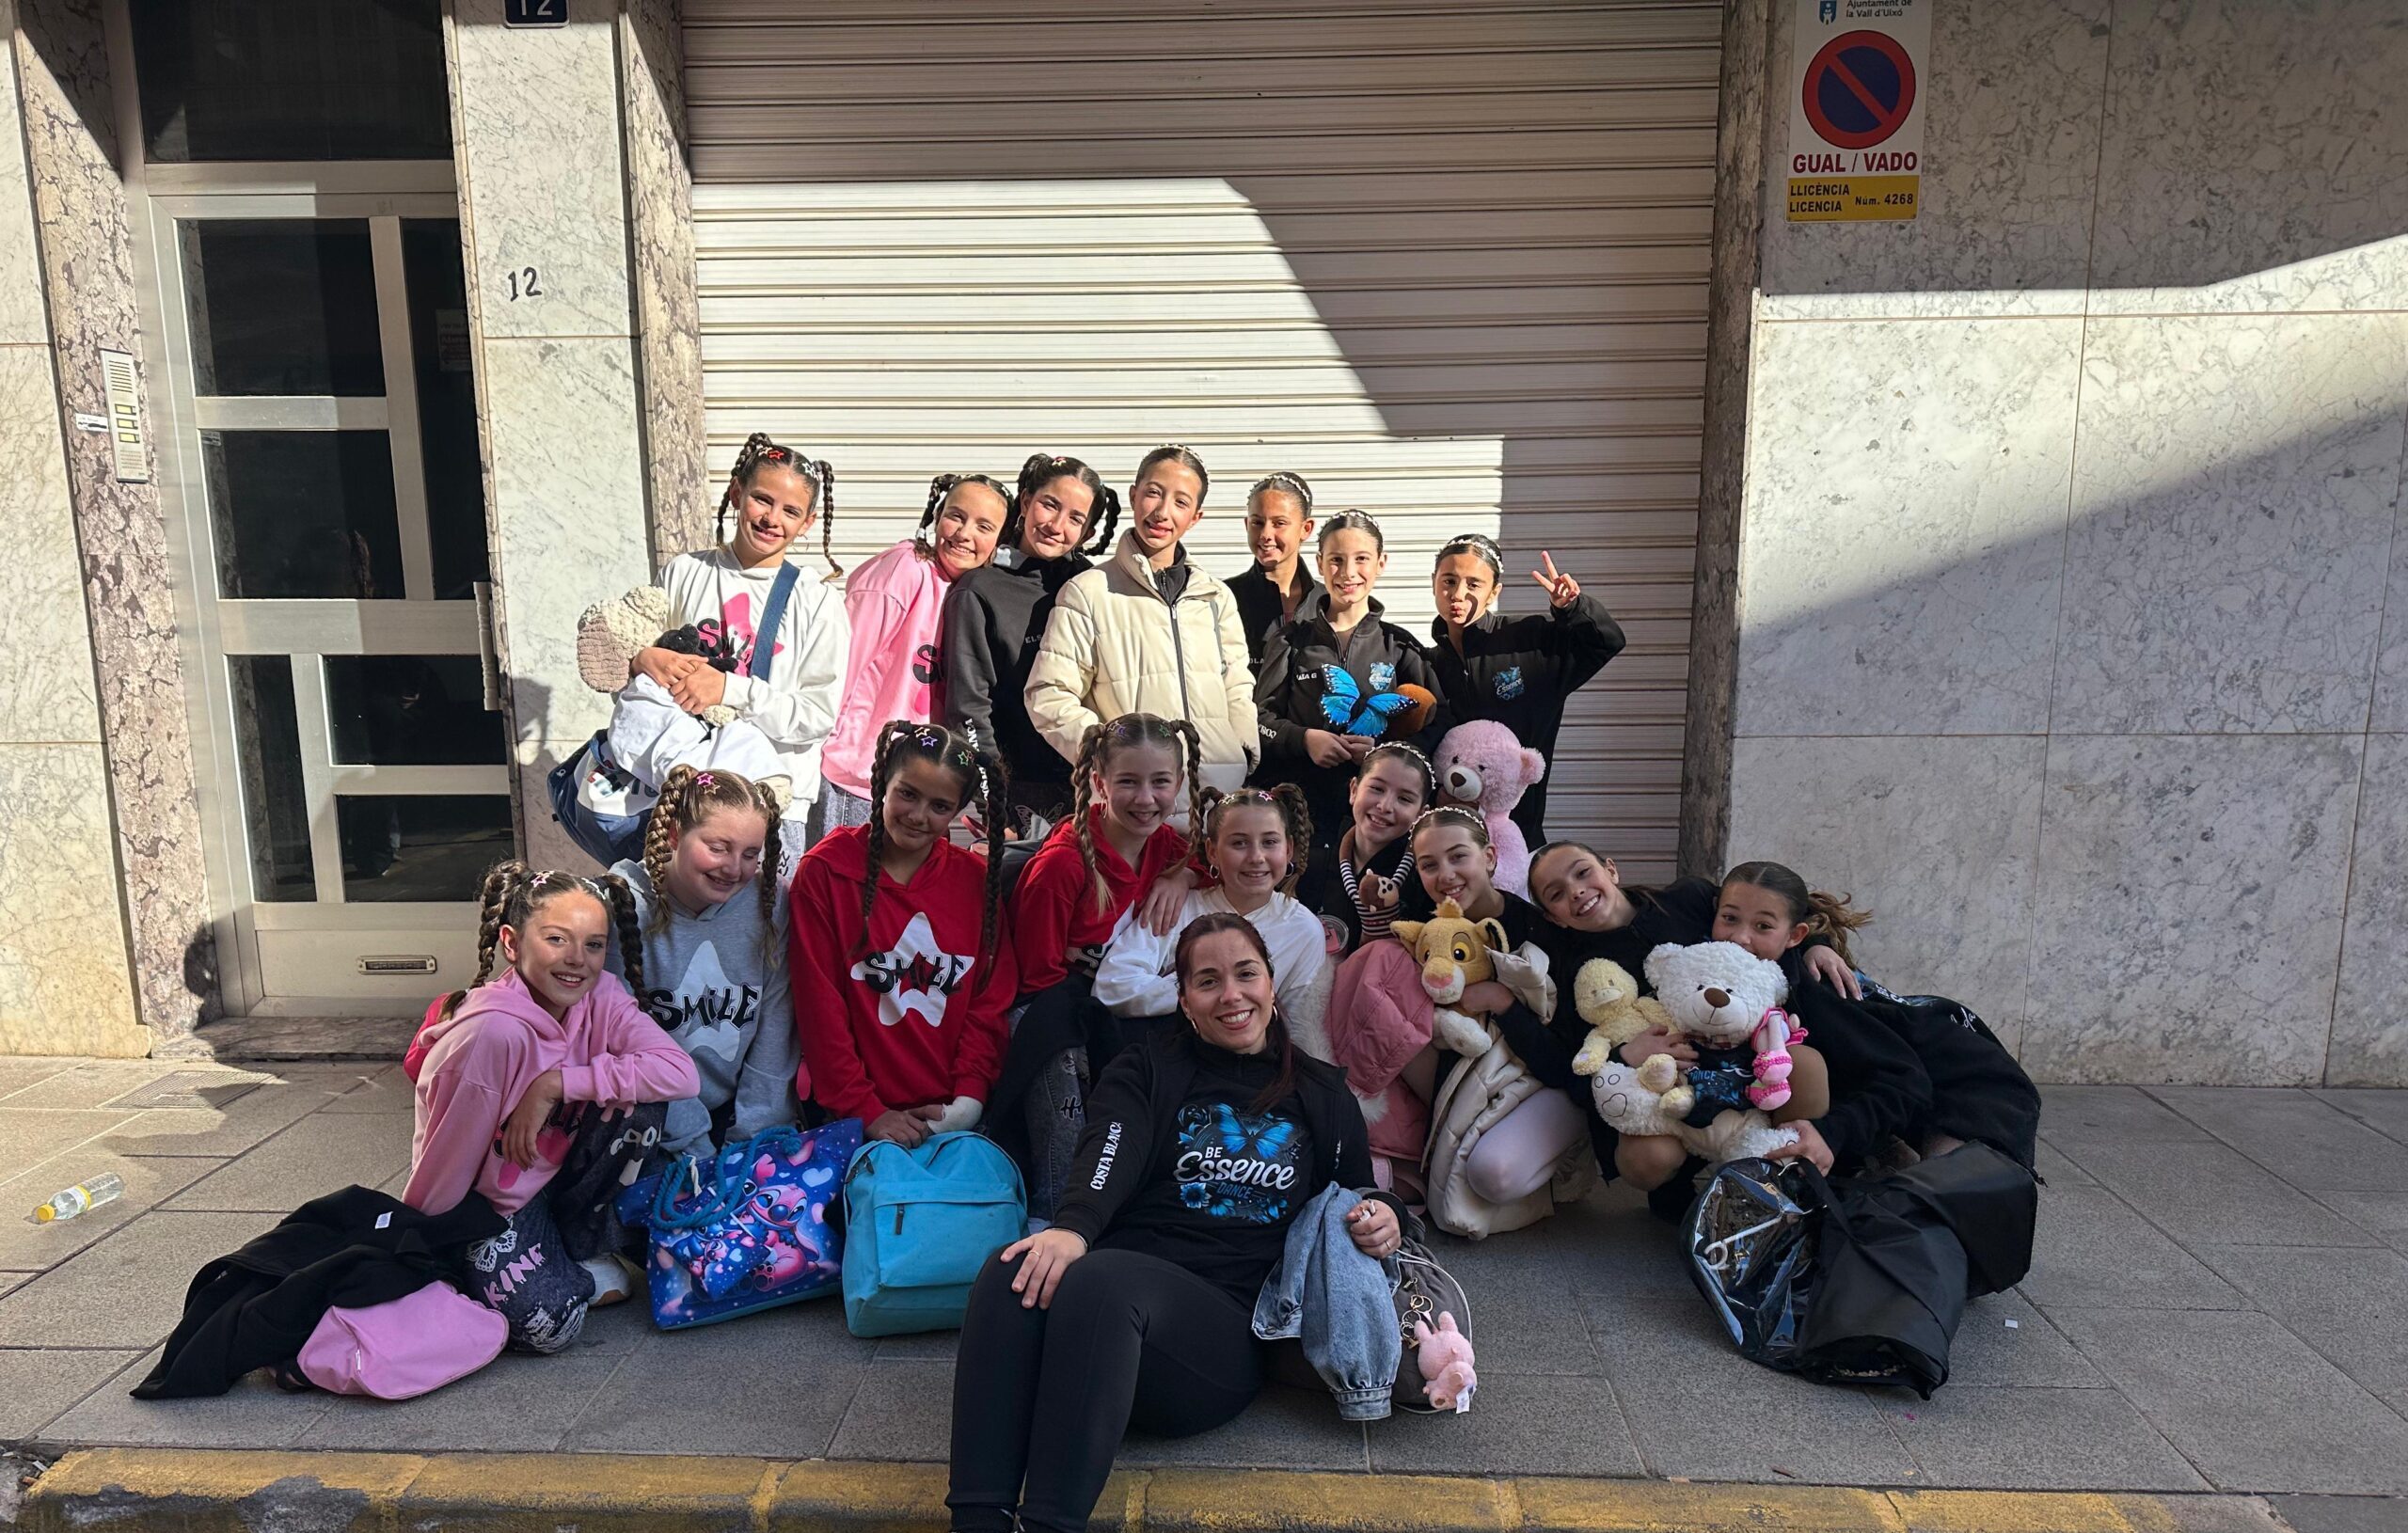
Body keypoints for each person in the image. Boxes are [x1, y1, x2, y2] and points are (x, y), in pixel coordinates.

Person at [947, 913, 1402, 1533]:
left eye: (1246, 974)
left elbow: (1358, 1193)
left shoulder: (1321, 1093)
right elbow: (1111, 1147)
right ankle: (977, 1520)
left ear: (1270, 983)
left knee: (1101, 1282)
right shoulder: (1147, 1068)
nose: (1231, 995)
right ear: (1185, 1000)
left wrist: (1385, 1217)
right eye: (1208, 981)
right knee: (1010, 1271)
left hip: (1218, 1337)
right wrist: (1073, 1227)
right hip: (1105, 1315)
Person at [1523, 843, 1934, 1210]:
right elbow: (1566, 1064)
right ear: (1552, 917)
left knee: (1804, 1064)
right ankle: (1675, 1190)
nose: (1576, 891)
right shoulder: (1573, 971)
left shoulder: (1687, 900)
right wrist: (1623, 1054)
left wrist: (1816, 945)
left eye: (1582, 872)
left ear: (1611, 869)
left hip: (1754, 1066)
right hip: (1672, 1087)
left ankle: (1789, 1177)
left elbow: (1763, 911)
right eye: (1556, 893)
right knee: (1647, 1161)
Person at [402, 865, 699, 1352]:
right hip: (496, 1206)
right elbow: (444, 1162)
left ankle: (580, 1245)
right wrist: (425, 1255)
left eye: (593, 945)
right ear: (512, 943)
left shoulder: (601, 996)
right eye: (556, 939)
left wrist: (555, 1085)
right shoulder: (491, 1034)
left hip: (563, 1178)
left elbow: (680, 1073)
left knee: (640, 1110)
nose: (577, 959)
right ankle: (557, 1257)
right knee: (549, 1327)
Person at [987, 714, 1205, 1216]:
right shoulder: (1063, 866)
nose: (1145, 799)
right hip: (1051, 1010)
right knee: (1065, 1066)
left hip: (1119, 1003)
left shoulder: (1169, 847)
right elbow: (1036, 978)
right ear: (1099, 782)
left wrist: (1183, 877)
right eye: (1128, 782)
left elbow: (1217, 862)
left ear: (1179, 783)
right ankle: (1056, 1207)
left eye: (1160, 782)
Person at [1710, 860, 2039, 1170]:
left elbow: (1906, 1079)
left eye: (1763, 926)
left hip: (1971, 1085)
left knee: (1943, 1192)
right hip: (1899, 1078)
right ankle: (1882, 1150)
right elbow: (1695, 894)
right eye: (1729, 918)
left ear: (1795, 936)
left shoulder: (1810, 992)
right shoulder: (1714, 955)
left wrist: (1831, 1133)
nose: (1740, 937)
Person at [788, 722, 1014, 1146]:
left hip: (953, 1115)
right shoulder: (826, 873)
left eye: (940, 805)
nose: (918, 815)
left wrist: (969, 1098)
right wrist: (864, 1109)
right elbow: (819, 1008)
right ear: (882, 784)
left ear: (958, 810)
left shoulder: (975, 881)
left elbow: (989, 1002)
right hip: (852, 1118)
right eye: (907, 794)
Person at [640, 433, 848, 859]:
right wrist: (643, 660)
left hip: (771, 806)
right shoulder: (683, 572)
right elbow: (637, 678)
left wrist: (729, 690)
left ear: (808, 522)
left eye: (791, 511)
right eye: (762, 499)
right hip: (683, 800)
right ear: (737, 493)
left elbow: (816, 716)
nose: (772, 518)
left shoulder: (818, 601)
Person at [1025, 446, 1257, 799]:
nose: (1163, 512)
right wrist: (1111, 757)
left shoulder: (1215, 597)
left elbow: (1236, 684)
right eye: (1153, 493)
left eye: (1181, 502)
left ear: (1195, 517)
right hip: (1133, 807)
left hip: (1215, 800)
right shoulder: (1088, 592)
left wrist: (1241, 751)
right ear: (1134, 496)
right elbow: (1049, 694)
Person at [1253, 511, 1450, 907]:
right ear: (1319, 563)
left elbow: (1438, 723)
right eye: (1336, 560)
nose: (1348, 572)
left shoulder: (1399, 646)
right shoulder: (1290, 642)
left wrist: (1382, 756)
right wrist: (1304, 739)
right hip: (1302, 818)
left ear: (1381, 563)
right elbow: (1257, 721)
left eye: (1361, 559)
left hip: (1377, 825)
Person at [608, 765, 799, 1159]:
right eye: (718, 847)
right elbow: (619, 1042)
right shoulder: (619, 905)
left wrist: (752, 1138)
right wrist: (695, 1146)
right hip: (651, 1123)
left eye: (750, 854)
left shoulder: (771, 901)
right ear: (674, 834)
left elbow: (777, 1023)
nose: (734, 868)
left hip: (740, 1121)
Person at [817, 473, 1008, 833]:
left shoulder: (969, 592)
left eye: (983, 526)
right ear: (937, 516)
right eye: (956, 516)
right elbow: (841, 666)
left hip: (922, 785)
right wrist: (831, 744)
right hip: (861, 781)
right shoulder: (904, 570)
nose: (964, 533)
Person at [941, 453, 1120, 833]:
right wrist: (994, 805)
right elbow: (969, 710)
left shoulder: (1096, 588)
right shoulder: (979, 590)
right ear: (1025, 502)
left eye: (1075, 518)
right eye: (1049, 505)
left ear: (1088, 533)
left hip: (1098, 795)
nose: (1056, 525)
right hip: (1018, 800)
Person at [1427, 533, 1625, 846]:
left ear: (1494, 592)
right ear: (1434, 583)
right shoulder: (1427, 663)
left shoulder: (1530, 642)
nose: (1458, 594)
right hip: (1448, 841)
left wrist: (1572, 609)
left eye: (1474, 584)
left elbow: (1606, 642)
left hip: (1519, 841)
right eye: (1449, 581)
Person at [1092, 784, 1325, 1034]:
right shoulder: (1178, 905)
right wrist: (1199, 990)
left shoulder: (1304, 930)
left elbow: (1298, 1024)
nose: (1256, 857)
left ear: (1288, 849)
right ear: (1212, 852)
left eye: (1269, 842)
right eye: (1239, 843)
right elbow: (1112, 986)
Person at [1323, 742, 1436, 954]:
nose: (1385, 806)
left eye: (1404, 799)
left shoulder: (1424, 878)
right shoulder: (1316, 855)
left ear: (1420, 815)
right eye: (1377, 789)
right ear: (1354, 790)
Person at [1227, 471, 1318, 666]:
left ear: (1306, 529)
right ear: (1247, 525)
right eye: (1257, 523)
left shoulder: (1327, 602)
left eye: (1279, 523)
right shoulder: (1225, 597)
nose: (1266, 534)